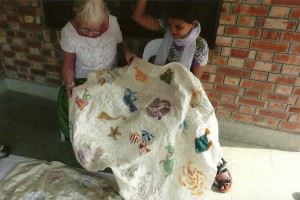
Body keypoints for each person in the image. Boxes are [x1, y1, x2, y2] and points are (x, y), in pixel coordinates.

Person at [132, 0, 232, 193]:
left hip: (185, 92)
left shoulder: (200, 46)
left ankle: (216, 161)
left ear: (193, 23)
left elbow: (193, 84)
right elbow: (137, 17)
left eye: (179, 27)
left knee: (199, 123)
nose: (173, 31)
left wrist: (177, 99)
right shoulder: (168, 30)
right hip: (159, 88)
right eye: (170, 26)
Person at [58, 0, 136, 140]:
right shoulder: (68, 32)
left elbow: (120, 43)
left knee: (127, 100)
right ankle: (87, 139)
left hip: (111, 75)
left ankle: (114, 137)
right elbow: (68, 64)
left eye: (95, 29)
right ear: (78, 18)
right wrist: (70, 84)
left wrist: (127, 52)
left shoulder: (112, 22)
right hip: (84, 79)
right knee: (78, 103)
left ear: (103, 20)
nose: (91, 34)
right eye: (85, 29)